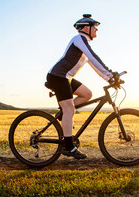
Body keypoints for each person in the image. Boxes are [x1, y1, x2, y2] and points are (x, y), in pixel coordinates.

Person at [46, 14, 115, 159]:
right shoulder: (79, 39)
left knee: (87, 94)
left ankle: (64, 114)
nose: (96, 30)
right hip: (58, 77)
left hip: (66, 78)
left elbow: (95, 65)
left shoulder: (84, 44)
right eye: (94, 27)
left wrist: (109, 78)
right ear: (86, 28)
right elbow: (94, 56)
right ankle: (68, 147)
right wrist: (110, 74)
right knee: (70, 108)